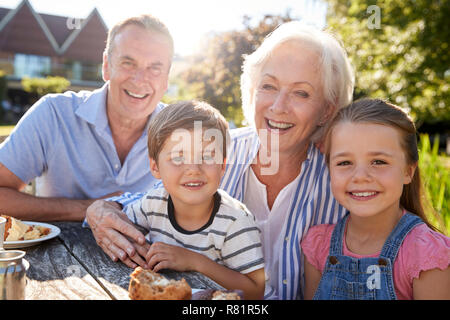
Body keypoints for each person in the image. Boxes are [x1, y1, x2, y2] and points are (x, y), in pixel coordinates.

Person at [86, 21, 355, 300]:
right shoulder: (214, 149)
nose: (278, 107)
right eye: (269, 86)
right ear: (252, 91)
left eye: (301, 93)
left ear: (326, 110)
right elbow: (153, 199)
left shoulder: (341, 180)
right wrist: (102, 208)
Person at [0, 15, 173, 221]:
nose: (140, 79)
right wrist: (87, 208)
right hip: (59, 252)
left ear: (166, 78)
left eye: (155, 68)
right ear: (106, 66)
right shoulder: (53, 114)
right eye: (128, 63)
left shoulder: (180, 132)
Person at [108, 100, 265, 299]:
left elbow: (256, 290)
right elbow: (121, 229)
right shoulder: (153, 203)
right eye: (178, 157)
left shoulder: (235, 223)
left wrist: (194, 261)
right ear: (155, 167)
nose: (193, 169)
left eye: (207, 157)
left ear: (223, 165)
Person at [301, 99, 450, 300]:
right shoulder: (318, 245)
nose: (360, 176)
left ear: (408, 171)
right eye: (344, 162)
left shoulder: (426, 254)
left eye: (378, 162)